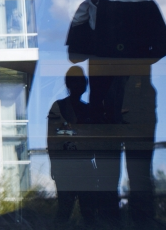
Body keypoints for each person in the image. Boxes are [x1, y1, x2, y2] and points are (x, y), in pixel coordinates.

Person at [65, 0, 166, 226]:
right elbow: (160, 48)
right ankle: (136, 223)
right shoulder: (139, 6)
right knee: (131, 175)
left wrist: (108, 51)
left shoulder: (93, 7)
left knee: (117, 175)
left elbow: (75, 54)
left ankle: (124, 223)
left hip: (120, 99)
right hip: (120, 100)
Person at [47, 66, 97, 225]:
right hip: (67, 167)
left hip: (78, 167)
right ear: (69, 84)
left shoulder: (88, 110)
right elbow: (53, 139)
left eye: (81, 81)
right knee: (67, 210)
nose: (80, 85)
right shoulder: (61, 107)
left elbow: (55, 137)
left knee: (85, 211)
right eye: (76, 81)